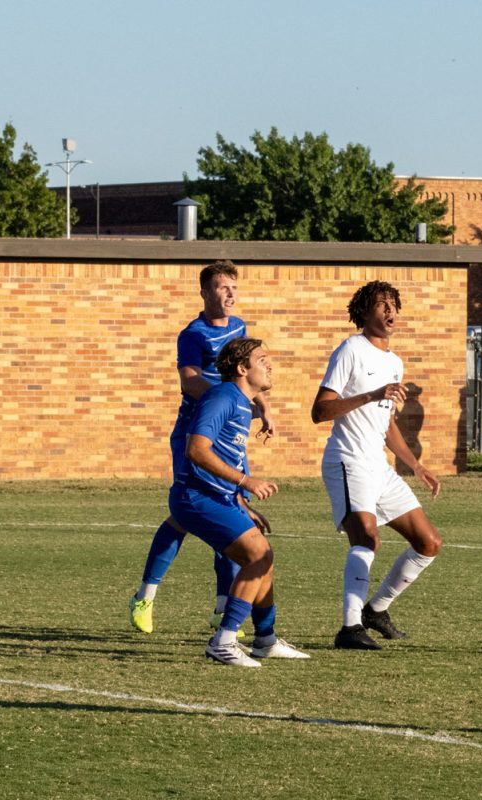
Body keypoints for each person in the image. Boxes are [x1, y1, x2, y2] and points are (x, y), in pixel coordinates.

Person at [129, 260, 275, 636]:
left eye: (234, 288)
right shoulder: (192, 334)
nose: (230, 295)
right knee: (185, 515)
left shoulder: (240, 327)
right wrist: (230, 399)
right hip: (196, 432)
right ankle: (145, 597)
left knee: (229, 511)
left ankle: (223, 607)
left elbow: (247, 375)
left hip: (229, 431)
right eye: (223, 288)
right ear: (205, 292)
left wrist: (261, 406)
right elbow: (190, 382)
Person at [312, 281, 443, 651]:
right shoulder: (350, 350)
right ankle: (350, 628)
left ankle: (376, 609)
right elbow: (319, 411)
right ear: (363, 313)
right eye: (381, 305)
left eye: (393, 304)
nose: (389, 311)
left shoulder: (394, 361)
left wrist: (415, 465)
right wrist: (370, 394)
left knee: (429, 542)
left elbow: (387, 424)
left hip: (379, 467)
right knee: (367, 539)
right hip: (348, 460)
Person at [168, 337, 308, 666]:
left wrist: (244, 505)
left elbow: (228, 456)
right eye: (262, 359)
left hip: (220, 497)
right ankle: (224, 640)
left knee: (263, 559)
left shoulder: (243, 404)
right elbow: (196, 450)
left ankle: (265, 640)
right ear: (243, 369)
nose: (269, 364)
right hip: (195, 497)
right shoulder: (222, 396)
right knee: (258, 556)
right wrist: (246, 482)